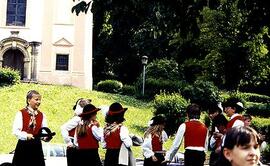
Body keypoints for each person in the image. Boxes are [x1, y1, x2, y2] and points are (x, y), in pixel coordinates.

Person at [12, 90, 49, 166]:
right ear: (29, 100)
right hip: (23, 146)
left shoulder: (42, 115)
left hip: (37, 147)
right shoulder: (21, 113)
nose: (39, 102)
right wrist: (26, 136)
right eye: (36, 99)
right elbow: (15, 131)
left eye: (40, 100)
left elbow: (44, 130)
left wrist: (45, 137)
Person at [60, 98, 91, 166]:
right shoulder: (77, 118)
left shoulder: (83, 119)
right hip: (74, 147)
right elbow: (63, 128)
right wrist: (69, 142)